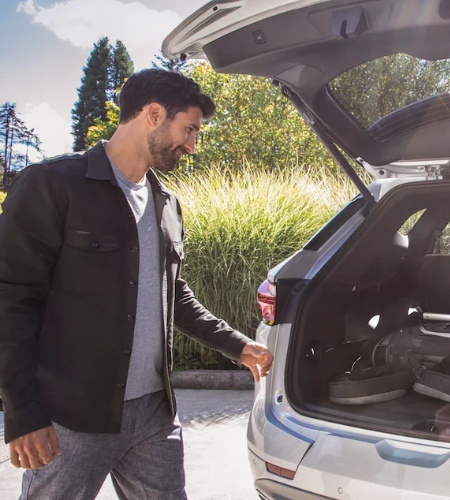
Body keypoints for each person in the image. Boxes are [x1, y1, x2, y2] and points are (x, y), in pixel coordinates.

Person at [0, 68, 273, 499]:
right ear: (153, 114)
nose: (192, 145)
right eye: (189, 129)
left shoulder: (167, 203)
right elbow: (11, 300)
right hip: (71, 418)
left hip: (153, 416)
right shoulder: (53, 184)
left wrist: (237, 345)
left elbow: (172, 294)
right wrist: (22, 414)